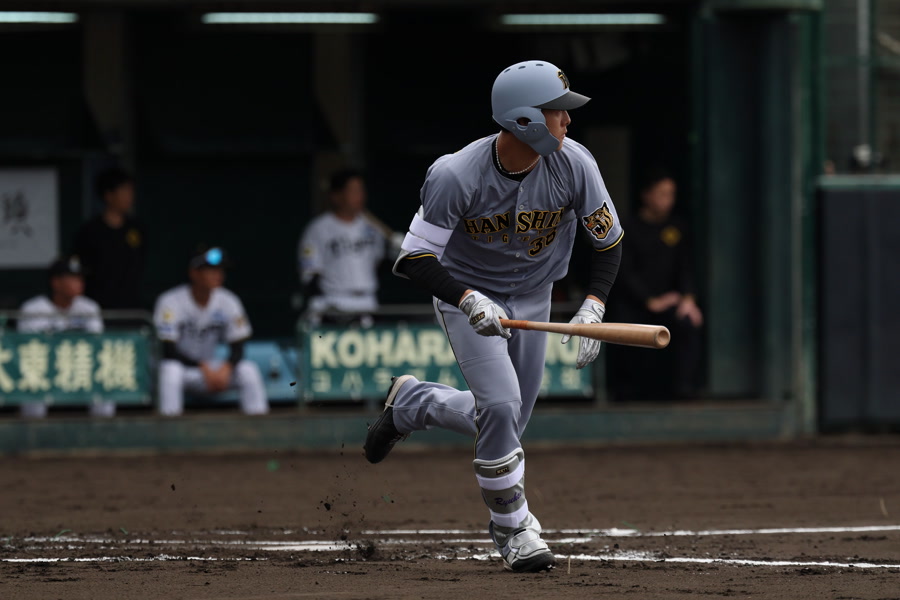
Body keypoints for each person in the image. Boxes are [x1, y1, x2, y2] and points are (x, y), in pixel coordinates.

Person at [363, 60, 623, 573]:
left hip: (534, 294)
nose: (567, 120)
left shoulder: (575, 163)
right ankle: (513, 528)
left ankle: (413, 404)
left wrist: (594, 304)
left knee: (509, 421)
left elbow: (608, 242)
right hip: (467, 294)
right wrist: (466, 299)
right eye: (557, 111)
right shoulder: (455, 174)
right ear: (525, 120)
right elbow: (413, 257)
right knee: (501, 408)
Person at [606, 169, 703, 400]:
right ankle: (627, 391)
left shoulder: (677, 228)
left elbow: (686, 267)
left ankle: (683, 389)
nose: (667, 200)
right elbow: (623, 272)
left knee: (688, 322)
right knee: (624, 329)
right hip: (634, 303)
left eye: (671, 194)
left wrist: (688, 299)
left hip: (670, 302)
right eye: (662, 194)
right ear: (647, 195)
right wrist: (649, 300)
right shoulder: (627, 228)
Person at [153, 246, 268, 417]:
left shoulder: (228, 300)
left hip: (209, 371)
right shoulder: (170, 301)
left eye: (220, 270)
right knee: (170, 370)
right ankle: (170, 427)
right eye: (211, 270)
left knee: (248, 370)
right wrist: (201, 367)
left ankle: (258, 425)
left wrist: (226, 368)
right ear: (194, 273)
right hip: (187, 371)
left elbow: (238, 346)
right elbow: (167, 350)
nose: (218, 275)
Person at [297, 169, 398, 327]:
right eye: (354, 191)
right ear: (337, 196)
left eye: (361, 191)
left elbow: (379, 264)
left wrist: (397, 249)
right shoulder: (318, 229)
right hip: (334, 303)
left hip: (367, 301)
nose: (360, 196)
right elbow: (310, 275)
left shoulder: (372, 227)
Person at [17, 255, 112, 418]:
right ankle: (33, 430)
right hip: (45, 367)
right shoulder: (33, 308)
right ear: (56, 282)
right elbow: (27, 348)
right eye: (73, 278)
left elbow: (97, 342)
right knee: (32, 378)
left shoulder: (89, 307)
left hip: (81, 366)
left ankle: (102, 429)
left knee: (105, 378)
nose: (79, 282)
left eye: (80, 278)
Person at [72, 166, 147, 310]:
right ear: (109, 195)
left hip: (131, 306)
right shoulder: (90, 231)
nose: (129, 196)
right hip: (98, 306)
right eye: (124, 191)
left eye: (131, 191)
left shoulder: (137, 229)